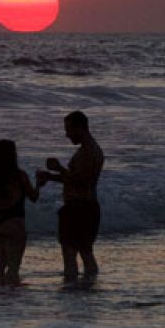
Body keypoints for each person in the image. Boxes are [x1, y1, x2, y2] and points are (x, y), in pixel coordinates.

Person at [37, 110, 104, 282]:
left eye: (69, 129)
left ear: (80, 127)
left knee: (69, 253)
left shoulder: (89, 151)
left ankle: (72, 291)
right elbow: (76, 179)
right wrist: (51, 177)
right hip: (87, 206)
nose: (67, 134)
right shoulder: (90, 149)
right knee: (85, 251)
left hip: (78, 208)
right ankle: (89, 285)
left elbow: (82, 182)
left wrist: (59, 168)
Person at [0, 139, 38, 285]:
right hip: (14, 222)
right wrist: (39, 183)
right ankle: (11, 304)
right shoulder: (19, 176)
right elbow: (33, 197)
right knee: (13, 269)